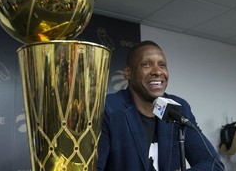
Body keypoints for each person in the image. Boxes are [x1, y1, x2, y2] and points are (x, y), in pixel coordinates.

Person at [96, 40, 224, 171]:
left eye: (162, 65)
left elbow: (213, 164)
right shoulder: (109, 108)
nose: (157, 71)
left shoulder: (179, 108)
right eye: (146, 65)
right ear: (128, 73)